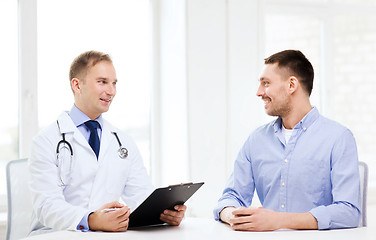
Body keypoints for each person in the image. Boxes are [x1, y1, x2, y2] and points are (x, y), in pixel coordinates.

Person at [29, 50, 186, 235]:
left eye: (114, 83)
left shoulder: (122, 141)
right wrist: (91, 219)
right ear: (77, 85)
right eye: (102, 82)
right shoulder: (46, 140)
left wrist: (163, 213)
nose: (111, 91)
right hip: (57, 234)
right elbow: (46, 206)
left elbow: (141, 195)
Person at [213, 50, 361, 231]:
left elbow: (349, 212)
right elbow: (231, 197)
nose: (259, 92)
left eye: (266, 83)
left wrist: (279, 221)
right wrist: (232, 215)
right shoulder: (256, 140)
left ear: (292, 85)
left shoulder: (338, 138)